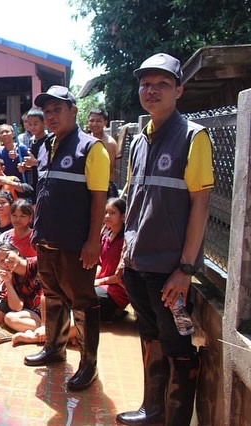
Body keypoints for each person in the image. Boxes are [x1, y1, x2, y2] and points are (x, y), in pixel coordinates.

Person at [116, 53, 214, 426]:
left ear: (178, 90)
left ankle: (175, 419)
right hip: (137, 262)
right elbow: (133, 200)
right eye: (145, 84)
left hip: (170, 269)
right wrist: (125, 252)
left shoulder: (193, 137)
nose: (151, 90)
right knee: (150, 334)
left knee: (177, 343)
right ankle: (152, 409)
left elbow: (200, 205)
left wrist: (185, 269)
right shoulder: (139, 141)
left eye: (162, 84)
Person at [25, 85, 110, 392]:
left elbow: (99, 199)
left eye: (57, 110)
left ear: (73, 111)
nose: (51, 116)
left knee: (83, 301)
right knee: (52, 294)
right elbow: (44, 193)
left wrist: (93, 242)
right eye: (47, 111)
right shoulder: (45, 146)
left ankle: (89, 364)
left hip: (75, 244)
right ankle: (54, 348)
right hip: (47, 239)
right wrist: (37, 231)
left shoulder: (92, 148)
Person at [94, 198, 129, 322]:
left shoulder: (125, 241)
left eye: (112, 213)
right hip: (102, 284)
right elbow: (100, 264)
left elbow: (119, 277)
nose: (107, 216)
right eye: (105, 212)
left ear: (123, 216)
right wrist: (91, 281)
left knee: (89, 299)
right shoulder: (105, 237)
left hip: (117, 290)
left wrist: (98, 282)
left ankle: (115, 312)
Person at [87, 108, 119, 198]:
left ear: (105, 122)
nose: (94, 124)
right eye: (91, 121)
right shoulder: (85, 141)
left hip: (105, 187)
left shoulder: (110, 143)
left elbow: (109, 169)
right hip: (87, 186)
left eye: (98, 121)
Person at [18, 108, 49, 191]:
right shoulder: (32, 140)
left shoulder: (50, 140)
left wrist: (35, 162)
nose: (32, 127)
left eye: (35, 124)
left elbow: (52, 164)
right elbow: (34, 165)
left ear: (44, 123)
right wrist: (25, 167)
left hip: (47, 183)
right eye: (30, 124)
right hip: (35, 182)